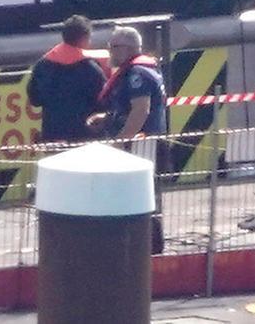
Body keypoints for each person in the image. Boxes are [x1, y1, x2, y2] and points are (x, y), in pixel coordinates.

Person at [88, 26, 171, 254]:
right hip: (138, 142)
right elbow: (129, 108)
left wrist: (120, 142)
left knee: (141, 195)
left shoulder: (138, 74)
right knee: (135, 194)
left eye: (113, 47)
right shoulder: (135, 71)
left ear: (128, 48)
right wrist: (106, 118)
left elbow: (141, 111)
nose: (109, 51)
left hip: (141, 145)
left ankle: (148, 247)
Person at [27, 16, 108, 147]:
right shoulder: (91, 68)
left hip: (52, 137)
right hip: (85, 139)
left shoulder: (42, 65)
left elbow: (35, 100)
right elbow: (104, 101)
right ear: (84, 38)